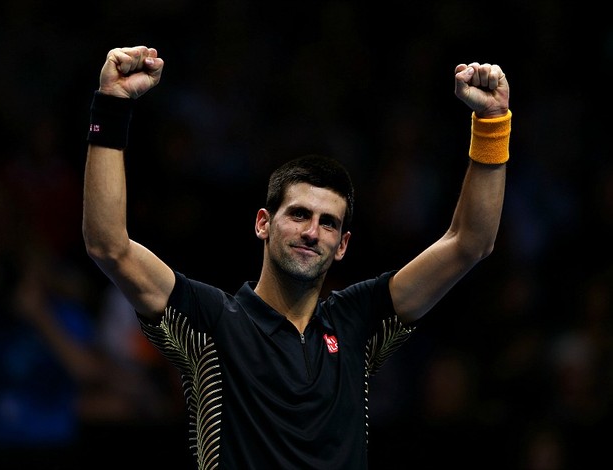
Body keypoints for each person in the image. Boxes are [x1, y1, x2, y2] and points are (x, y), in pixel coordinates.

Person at [82, 45, 511, 469]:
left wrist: (492, 123)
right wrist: (112, 107)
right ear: (263, 223)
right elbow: (109, 246)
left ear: (342, 245)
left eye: (328, 223)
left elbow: (470, 243)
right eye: (300, 214)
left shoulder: (357, 323)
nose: (311, 232)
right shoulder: (212, 323)